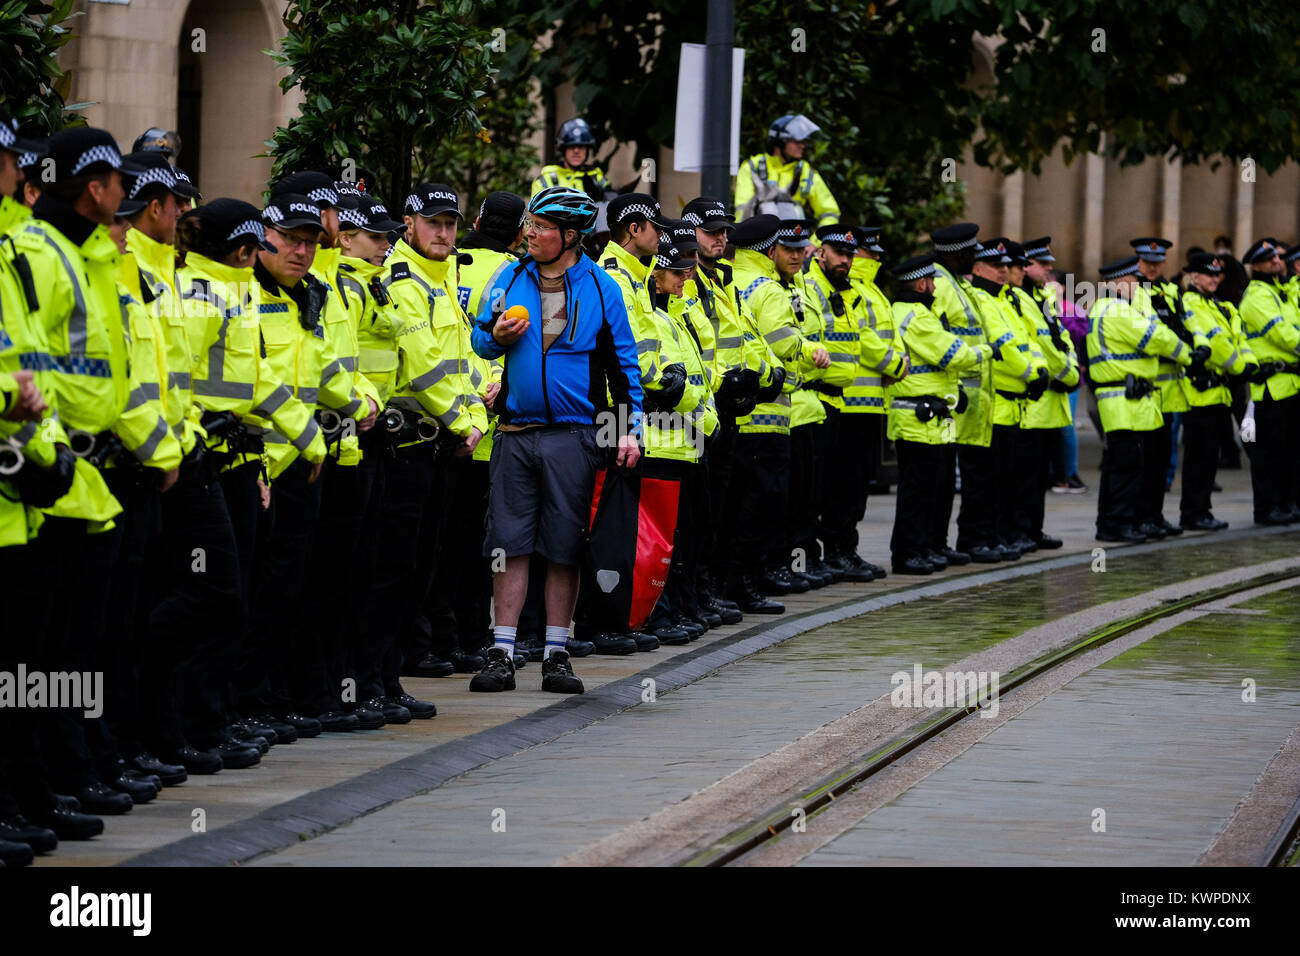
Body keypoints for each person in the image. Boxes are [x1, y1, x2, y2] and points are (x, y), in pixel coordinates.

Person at [468, 185, 642, 694]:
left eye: (542, 228)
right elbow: (478, 337)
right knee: (508, 543)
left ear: (570, 236)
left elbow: (622, 365)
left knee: (565, 547)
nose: (531, 234)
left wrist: (628, 431)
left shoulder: (601, 287)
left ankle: (556, 653)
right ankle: (501, 650)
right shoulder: (510, 274)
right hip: (515, 431)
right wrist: (494, 339)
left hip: (576, 435)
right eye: (530, 225)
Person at [724, 214, 829, 610]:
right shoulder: (768, 288)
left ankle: (738, 581)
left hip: (742, 412)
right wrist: (806, 357)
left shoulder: (733, 279)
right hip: (767, 416)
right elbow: (780, 340)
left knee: (739, 504)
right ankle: (747, 583)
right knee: (761, 504)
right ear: (770, 250)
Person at [679, 196, 763, 621]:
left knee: (722, 506)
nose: (722, 238)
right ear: (691, 231)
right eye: (712, 232)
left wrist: (756, 376)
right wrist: (723, 383)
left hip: (723, 405)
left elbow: (739, 336)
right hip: (698, 406)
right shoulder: (686, 278)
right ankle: (696, 593)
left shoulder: (720, 277)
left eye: (725, 231)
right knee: (701, 511)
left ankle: (707, 589)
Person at [887, 254, 994, 573]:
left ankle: (927, 546)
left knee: (933, 487)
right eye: (931, 282)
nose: (935, 287)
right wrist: (986, 350)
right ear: (921, 284)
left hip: (932, 416)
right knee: (918, 490)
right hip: (916, 416)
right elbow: (952, 353)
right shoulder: (914, 314)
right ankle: (908, 554)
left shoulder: (917, 311)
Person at [1086, 256, 1197, 541]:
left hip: (1129, 398)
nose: (1138, 285)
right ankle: (1117, 524)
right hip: (1122, 399)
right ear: (1117, 284)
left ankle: (1116, 522)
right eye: (1133, 281)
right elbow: (1155, 336)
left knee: (1124, 464)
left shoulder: (1113, 306)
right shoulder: (1115, 309)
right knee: (1125, 465)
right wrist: (1188, 355)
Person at [966, 239, 1047, 557]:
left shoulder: (1004, 299)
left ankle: (999, 535)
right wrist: (1032, 372)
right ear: (977, 268)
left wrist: (1038, 369)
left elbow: (1030, 340)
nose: (1003, 272)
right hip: (995, 403)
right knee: (989, 480)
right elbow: (1005, 347)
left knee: (1007, 478)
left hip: (1014, 403)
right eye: (996, 266)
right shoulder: (984, 300)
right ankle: (983, 536)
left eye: (1005, 266)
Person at [928, 223, 998, 564]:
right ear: (957, 254)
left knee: (970, 475)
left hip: (970, 397)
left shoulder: (956, 284)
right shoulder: (941, 285)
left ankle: (958, 541)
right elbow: (941, 339)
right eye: (971, 252)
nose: (975, 258)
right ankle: (956, 540)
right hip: (956, 395)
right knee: (946, 478)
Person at [1129, 237, 1202, 538]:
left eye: (1158, 263)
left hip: (1170, 392)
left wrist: (1198, 346)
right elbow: (1151, 334)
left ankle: (1156, 515)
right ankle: (1141, 517)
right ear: (1138, 262)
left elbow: (1186, 323)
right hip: (1146, 390)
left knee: (1161, 460)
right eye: (1147, 262)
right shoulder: (1132, 293)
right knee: (1144, 461)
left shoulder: (1172, 291)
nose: (1153, 268)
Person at [1179, 253, 1256, 530]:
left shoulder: (1220, 305)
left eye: (1216, 275)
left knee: (1210, 457)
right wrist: (1240, 367)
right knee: (1199, 457)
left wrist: (1248, 364)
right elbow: (1216, 341)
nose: (1213, 279)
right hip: (1200, 392)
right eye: (1207, 274)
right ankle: (1193, 512)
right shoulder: (1190, 303)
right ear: (1194, 277)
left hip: (1220, 391)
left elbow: (1239, 338)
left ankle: (1202, 510)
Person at [1005, 239, 1074, 549]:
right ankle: (1019, 530)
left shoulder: (1042, 298)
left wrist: (1069, 370)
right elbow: (1042, 345)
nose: (1049, 269)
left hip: (1048, 403)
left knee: (1039, 475)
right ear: (1026, 265)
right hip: (1032, 403)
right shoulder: (1019, 298)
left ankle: (1033, 528)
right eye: (1042, 264)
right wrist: (1067, 372)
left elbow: (1062, 338)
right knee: (1024, 476)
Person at [1237, 238, 1300, 524]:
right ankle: (1267, 508)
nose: (1277, 261)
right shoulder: (1258, 296)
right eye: (1270, 259)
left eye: (1277, 257)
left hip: (1289, 382)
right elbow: (1284, 336)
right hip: (1271, 386)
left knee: (1289, 450)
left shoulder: (1280, 292)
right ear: (1257, 266)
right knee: (1269, 453)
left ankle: (1287, 502)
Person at [734, 114, 839, 228]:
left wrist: (815, 242)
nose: (802, 146)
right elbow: (743, 211)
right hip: (759, 239)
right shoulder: (752, 166)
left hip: (795, 240)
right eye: (797, 141)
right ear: (780, 142)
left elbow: (829, 211)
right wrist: (746, 241)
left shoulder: (805, 170)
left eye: (803, 141)